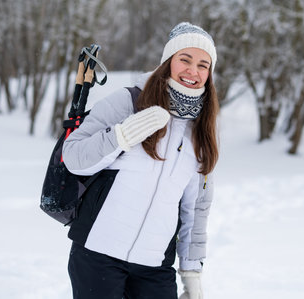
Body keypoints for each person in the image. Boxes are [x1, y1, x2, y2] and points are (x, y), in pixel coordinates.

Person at [62, 22, 219, 299]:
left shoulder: (202, 129)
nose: (193, 71)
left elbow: (196, 208)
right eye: (185, 59)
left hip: (154, 265)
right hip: (98, 254)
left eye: (203, 65)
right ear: (168, 62)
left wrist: (191, 271)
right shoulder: (129, 101)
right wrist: (121, 136)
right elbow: (74, 158)